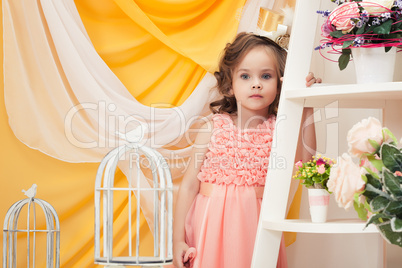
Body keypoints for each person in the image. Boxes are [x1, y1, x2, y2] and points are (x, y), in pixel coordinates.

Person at [173, 32, 318, 268]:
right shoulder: (213, 127)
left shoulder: (280, 129)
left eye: (266, 75)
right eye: (245, 76)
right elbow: (189, 185)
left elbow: (307, 162)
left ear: (280, 83)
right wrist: (177, 240)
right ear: (230, 86)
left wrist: (306, 102)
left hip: (256, 227)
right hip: (209, 225)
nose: (256, 83)